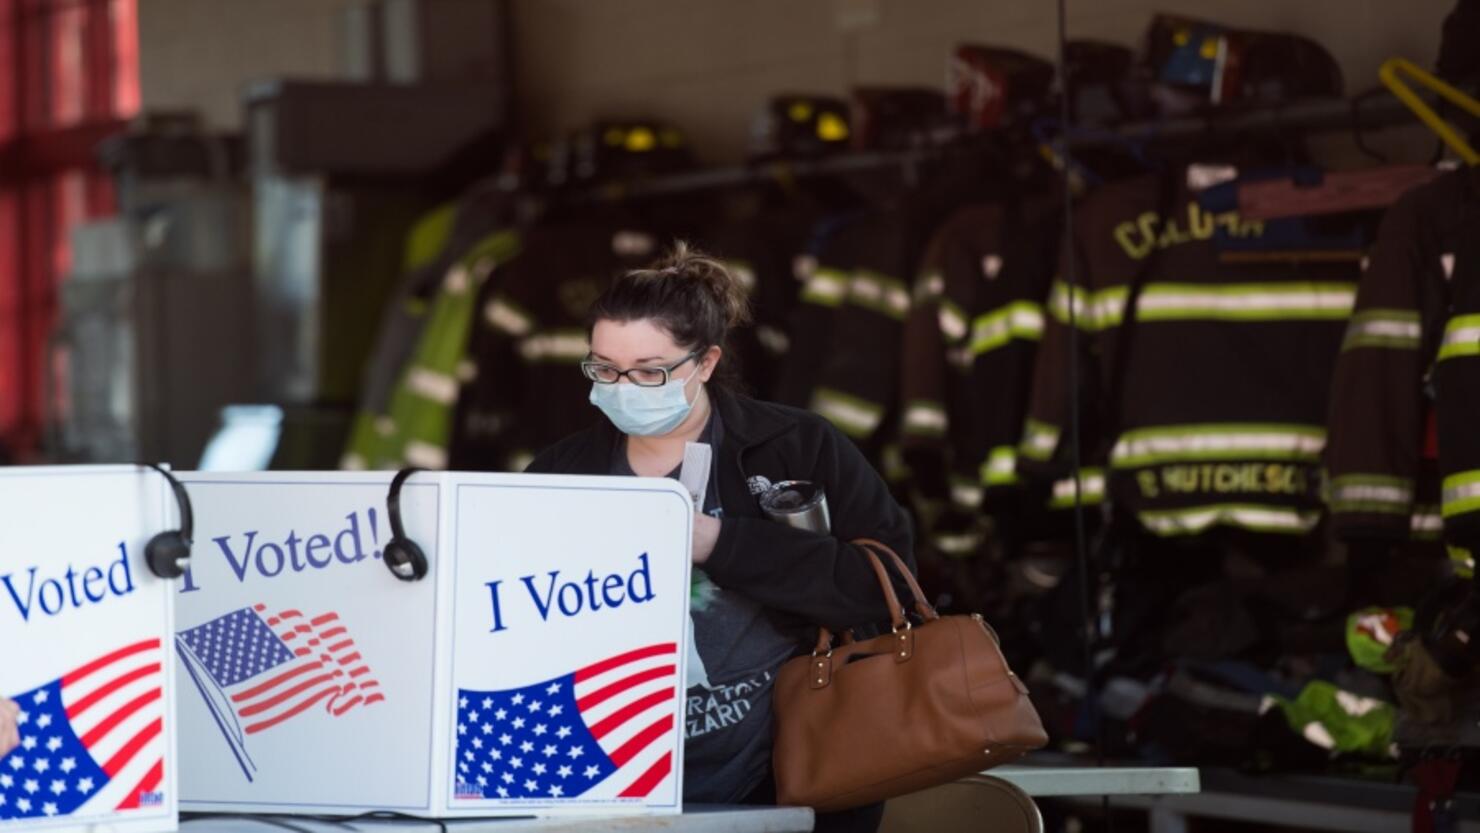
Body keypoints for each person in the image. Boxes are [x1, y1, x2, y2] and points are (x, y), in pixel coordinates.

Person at [527, 243, 916, 833]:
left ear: (706, 362)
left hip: (785, 779)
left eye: (650, 371)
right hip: (609, 785)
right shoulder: (561, 472)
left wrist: (719, 542)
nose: (624, 386)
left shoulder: (798, 446)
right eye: (604, 369)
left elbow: (883, 587)